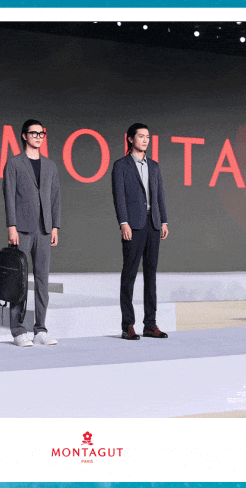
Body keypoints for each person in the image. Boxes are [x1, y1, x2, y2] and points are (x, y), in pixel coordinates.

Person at [3, 119, 61, 347]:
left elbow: (55, 197)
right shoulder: (14, 163)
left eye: (41, 133)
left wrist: (55, 226)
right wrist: (11, 226)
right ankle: (18, 331)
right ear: (24, 136)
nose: (38, 137)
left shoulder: (50, 165)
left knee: (42, 280)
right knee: (19, 280)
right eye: (34, 133)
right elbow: (9, 196)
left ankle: (41, 329)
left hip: (44, 229)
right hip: (22, 229)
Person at [111, 123, 169, 340]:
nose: (145, 140)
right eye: (141, 136)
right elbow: (119, 196)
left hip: (153, 224)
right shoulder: (121, 165)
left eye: (148, 137)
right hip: (133, 225)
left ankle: (150, 324)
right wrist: (123, 222)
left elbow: (159, 195)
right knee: (129, 275)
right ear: (130, 139)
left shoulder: (154, 166)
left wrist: (164, 221)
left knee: (151, 276)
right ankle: (128, 325)